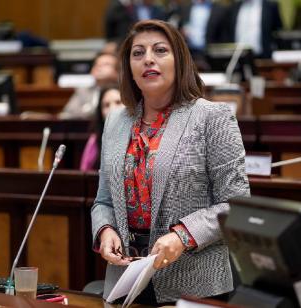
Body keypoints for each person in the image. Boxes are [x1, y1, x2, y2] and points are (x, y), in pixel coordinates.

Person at [91, 19, 249, 305]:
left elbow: (236, 203)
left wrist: (183, 236)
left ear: (180, 60)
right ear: (129, 67)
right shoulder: (116, 121)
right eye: (138, 53)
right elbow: (103, 201)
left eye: (160, 50)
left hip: (193, 282)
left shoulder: (212, 118)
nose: (148, 59)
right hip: (126, 279)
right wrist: (105, 230)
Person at [58, 52, 119, 120]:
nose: (98, 67)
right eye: (96, 64)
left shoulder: (123, 91)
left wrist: (87, 110)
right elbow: (66, 115)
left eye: (105, 64)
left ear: (117, 71)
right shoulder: (83, 91)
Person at [80, 85, 123, 171]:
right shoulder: (94, 141)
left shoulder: (141, 138)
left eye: (118, 102)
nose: (112, 108)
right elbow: (83, 175)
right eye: (106, 105)